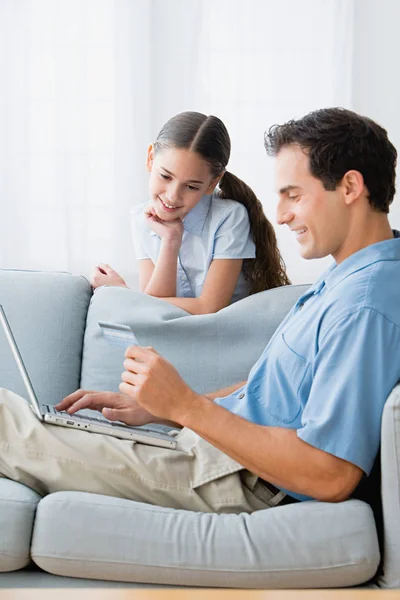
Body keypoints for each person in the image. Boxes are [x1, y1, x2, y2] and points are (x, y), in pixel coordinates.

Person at [1, 107, 400, 513]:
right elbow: (270, 396)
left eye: (293, 195)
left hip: (237, 477)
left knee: (5, 421)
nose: (280, 215)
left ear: (350, 186)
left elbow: (329, 474)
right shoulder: (346, 282)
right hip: (218, 455)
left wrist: (183, 406)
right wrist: (162, 410)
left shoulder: (365, 304)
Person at [90, 111, 290, 315]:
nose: (172, 196)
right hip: (178, 335)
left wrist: (125, 294)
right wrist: (170, 239)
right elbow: (156, 314)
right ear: (151, 158)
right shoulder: (142, 218)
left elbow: (209, 308)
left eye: (191, 187)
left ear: (212, 182)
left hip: (225, 336)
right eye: (165, 176)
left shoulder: (230, 217)